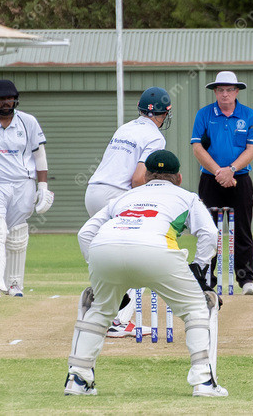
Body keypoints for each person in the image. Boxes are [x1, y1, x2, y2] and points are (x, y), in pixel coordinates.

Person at [65, 149, 227, 397]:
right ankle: (203, 381)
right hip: (156, 250)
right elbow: (210, 233)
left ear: (146, 176)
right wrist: (200, 269)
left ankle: (77, 379)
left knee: (100, 311)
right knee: (197, 308)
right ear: (179, 178)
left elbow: (85, 234)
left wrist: (100, 278)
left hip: (105, 248)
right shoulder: (187, 197)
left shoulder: (124, 197)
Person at [84, 86, 171, 338]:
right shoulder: (155, 137)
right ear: (165, 113)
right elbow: (138, 179)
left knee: (112, 258)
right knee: (136, 258)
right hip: (117, 196)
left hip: (93, 191)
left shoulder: (125, 128)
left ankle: (105, 314)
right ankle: (118, 321)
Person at [0, 79, 54, 297]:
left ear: (15, 99)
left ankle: (14, 284)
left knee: (16, 233)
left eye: (9, 98)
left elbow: (39, 154)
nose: (5, 102)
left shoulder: (28, 122)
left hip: (23, 183)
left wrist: (43, 186)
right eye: (0, 99)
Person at [191, 71, 253, 295]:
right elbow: (197, 148)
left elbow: (251, 149)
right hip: (210, 179)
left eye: (229, 90)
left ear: (236, 91)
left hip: (240, 178)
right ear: (215, 92)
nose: (224, 94)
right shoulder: (204, 114)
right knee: (209, 230)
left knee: (242, 230)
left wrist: (231, 170)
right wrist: (219, 172)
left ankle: (246, 280)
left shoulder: (248, 115)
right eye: (220, 90)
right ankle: (206, 280)